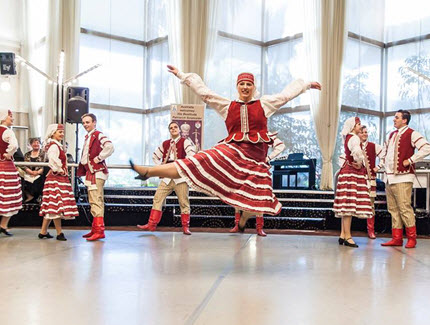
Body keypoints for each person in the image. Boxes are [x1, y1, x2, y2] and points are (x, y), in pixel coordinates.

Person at [130, 65, 321, 231]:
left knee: (255, 203)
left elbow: (285, 95)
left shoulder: (264, 103)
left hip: (256, 160)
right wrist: (181, 74)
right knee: (198, 160)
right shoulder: (228, 106)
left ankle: (244, 220)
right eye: (242, 84)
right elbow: (204, 92)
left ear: (254, 87)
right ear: (237, 87)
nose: (245, 87)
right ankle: (149, 171)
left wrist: (306, 85)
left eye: (249, 84)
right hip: (234, 153)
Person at [380, 110, 430, 248]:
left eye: (396, 118)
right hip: (389, 178)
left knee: (404, 208)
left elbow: (426, 148)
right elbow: (385, 154)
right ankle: (397, 238)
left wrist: (410, 160)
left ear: (405, 120)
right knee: (393, 209)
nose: (394, 120)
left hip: (403, 177)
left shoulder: (412, 133)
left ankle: (412, 238)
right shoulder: (391, 135)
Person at [137, 121, 196, 235]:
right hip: (167, 177)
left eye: (175, 127)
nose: (173, 129)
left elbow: (191, 155)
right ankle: (151, 224)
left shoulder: (185, 142)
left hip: (180, 177)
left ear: (179, 130)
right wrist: (161, 168)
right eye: (171, 128)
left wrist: (182, 167)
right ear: (169, 131)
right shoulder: (165, 143)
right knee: (157, 198)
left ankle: (185, 227)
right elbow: (155, 156)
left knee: (184, 202)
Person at [230, 131, 286, 236]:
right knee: (238, 195)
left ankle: (259, 227)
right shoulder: (244, 133)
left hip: (260, 169)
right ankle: (238, 224)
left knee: (260, 196)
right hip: (246, 168)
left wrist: (268, 158)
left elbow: (280, 146)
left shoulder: (266, 134)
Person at [333, 117, 373, 248]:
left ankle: (343, 234)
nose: (360, 127)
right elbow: (356, 152)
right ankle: (348, 236)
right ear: (353, 126)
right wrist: (359, 162)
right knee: (349, 204)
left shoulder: (348, 137)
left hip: (347, 171)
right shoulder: (354, 138)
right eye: (358, 124)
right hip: (352, 173)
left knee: (346, 204)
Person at [77, 113, 114, 241]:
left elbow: (110, 146)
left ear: (94, 122)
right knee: (94, 200)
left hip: (96, 172)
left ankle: (99, 230)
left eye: (88, 122)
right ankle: (95, 228)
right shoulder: (89, 136)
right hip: (91, 172)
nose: (85, 125)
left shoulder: (98, 134)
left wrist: (98, 158)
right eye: (84, 123)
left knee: (96, 200)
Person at [38, 124, 79, 240]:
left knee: (52, 205)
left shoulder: (55, 145)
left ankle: (43, 231)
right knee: (56, 205)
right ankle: (59, 233)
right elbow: (52, 160)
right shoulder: (54, 146)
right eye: (59, 132)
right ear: (53, 133)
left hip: (57, 177)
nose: (62, 134)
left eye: (62, 132)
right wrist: (59, 170)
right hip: (56, 178)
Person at [0, 109, 22, 236]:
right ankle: (3, 224)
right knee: (8, 194)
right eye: (10, 117)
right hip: (6, 166)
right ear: (4, 118)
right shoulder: (8, 132)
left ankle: (3, 225)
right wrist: (7, 154)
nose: (12, 119)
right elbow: (14, 146)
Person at [21, 137, 46, 203]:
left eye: (37, 142)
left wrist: (37, 172)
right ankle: (29, 196)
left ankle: (37, 197)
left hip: (40, 174)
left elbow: (45, 165)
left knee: (39, 181)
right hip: (29, 174)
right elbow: (24, 166)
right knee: (22, 180)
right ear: (31, 144)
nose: (36, 144)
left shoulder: (43, 154)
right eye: (34, 142)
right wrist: (31, 172)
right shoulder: (27, 154)